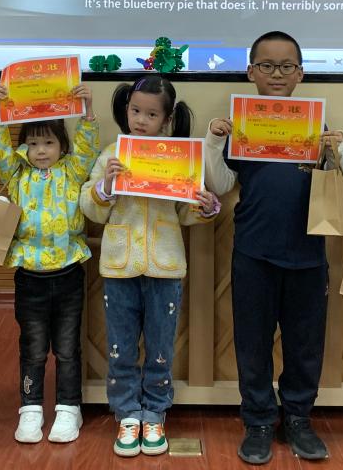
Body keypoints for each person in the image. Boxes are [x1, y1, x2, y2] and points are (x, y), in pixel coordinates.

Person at [203, 30, 343, 465]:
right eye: (267, 65)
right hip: (253, 251)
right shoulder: (241, 126)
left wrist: (335, 151)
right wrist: (214, 141)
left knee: (305, 344)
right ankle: (259, 421)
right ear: (251, 72)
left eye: (287, 66)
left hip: (308, 255)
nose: (277, 74)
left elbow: (338, 184)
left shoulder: (318, 127)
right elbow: (221, 184)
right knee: (252, 342)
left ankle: (299, 417)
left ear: (301, 74)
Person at [80, 75, 219, 457]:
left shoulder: (178, 157)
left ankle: (155, 412)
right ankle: (127, 412)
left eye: (152, 114)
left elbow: (186, 213)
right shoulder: (112, 154)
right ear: (126, 110)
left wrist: (205, 206)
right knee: (121, 346)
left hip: (165, 266)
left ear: (167, 118)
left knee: (161, 346)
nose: (141, 120)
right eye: (135, 111)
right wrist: (106, 187)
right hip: (119, 266)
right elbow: (90, 207)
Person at [0, 83, 100, 444]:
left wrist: (87, 111)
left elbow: (87, 147)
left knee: (67, 348)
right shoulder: (16, 174)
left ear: (62, 146)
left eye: (49, 142)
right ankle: (30, 408)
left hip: (68, 276)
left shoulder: (73, 172)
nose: (41, 150)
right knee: (32, 348)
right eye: (33, 143)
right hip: (29, 278)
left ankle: (69, 407)